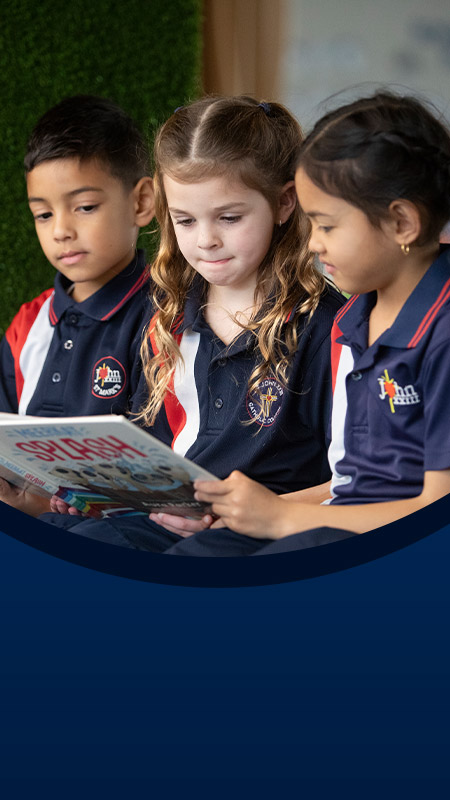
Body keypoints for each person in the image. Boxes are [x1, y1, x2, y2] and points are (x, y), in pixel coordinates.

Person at [40, 94, 344, 551]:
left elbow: (348, 482)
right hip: (165, 520)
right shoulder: (168, 314)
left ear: (283, 203)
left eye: (229, 217)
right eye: (184, 220)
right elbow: (155, 455)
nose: (206, 241)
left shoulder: (325, 327)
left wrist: (256, 514)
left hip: (253, 534)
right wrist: (100, 492)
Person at [186, 90, 450, 555]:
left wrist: (284, 517)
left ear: (403, 223)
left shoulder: (441, 330)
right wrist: (250, 511)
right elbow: (348, 483)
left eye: (326, 226)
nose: (313, 244)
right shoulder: (352, 319)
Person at [0, 94, 155, 514]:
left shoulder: (167, 319)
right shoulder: (27, 324)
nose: (61, 231)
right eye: (43, 215)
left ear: (141, 202)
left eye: (84, 207)